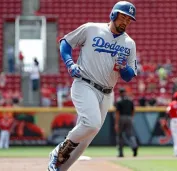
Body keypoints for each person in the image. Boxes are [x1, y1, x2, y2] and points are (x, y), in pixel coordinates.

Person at [47, 1, 137, 171]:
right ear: (113, 14)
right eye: (123, 17)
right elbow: (65, 42)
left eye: (129, 19)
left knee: (86, 138)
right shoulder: (91, 29)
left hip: (107, 93)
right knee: (92, 124)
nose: (125, 22)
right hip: (85, 84)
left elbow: (129, 76)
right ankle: (57, 152)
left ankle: (59, 168)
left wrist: (125, 68)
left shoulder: (129, 43)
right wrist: (69, 63)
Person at [115, 87, 138, 157]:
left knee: (120, 135)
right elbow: (133, 110)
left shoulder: (119, 101)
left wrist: (116, 123)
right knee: (130, 134)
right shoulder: (130, 100)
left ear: (120, 93)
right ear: (125, 92)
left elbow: (117, 113)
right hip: (129, 118)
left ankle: (121, 152)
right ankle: (134, 146)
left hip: (121, 118)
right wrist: (131, 118)